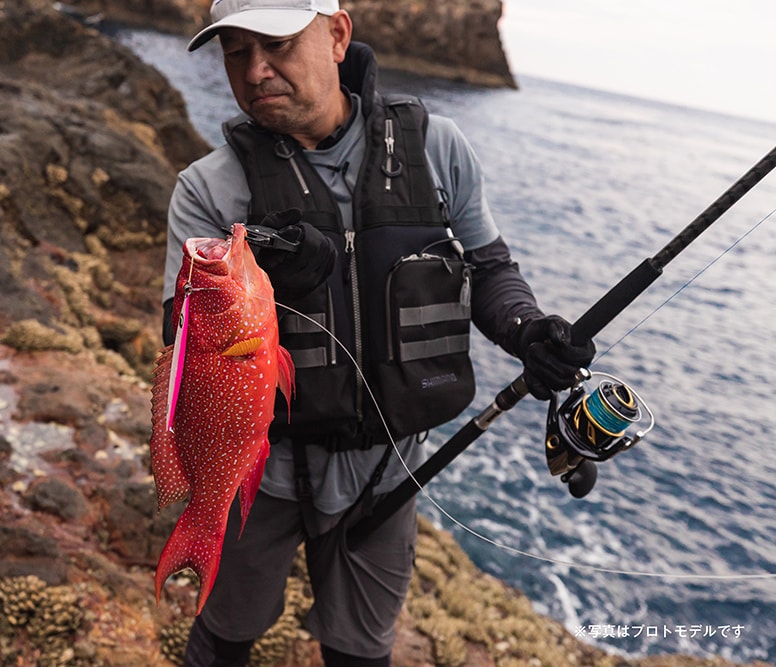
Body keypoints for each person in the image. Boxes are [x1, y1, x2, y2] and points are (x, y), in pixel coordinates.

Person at [160, 1, 596, 665]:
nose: (255, 70)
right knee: (223, 636)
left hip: (388, 468)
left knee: (361, 651)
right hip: (261, 467)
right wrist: (278, 285)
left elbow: (489, 269)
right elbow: (186, 335)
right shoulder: (207, 188)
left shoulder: (437, 148)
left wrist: (529, 329)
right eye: (235, 51)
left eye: (276, 43)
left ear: (337, 35)